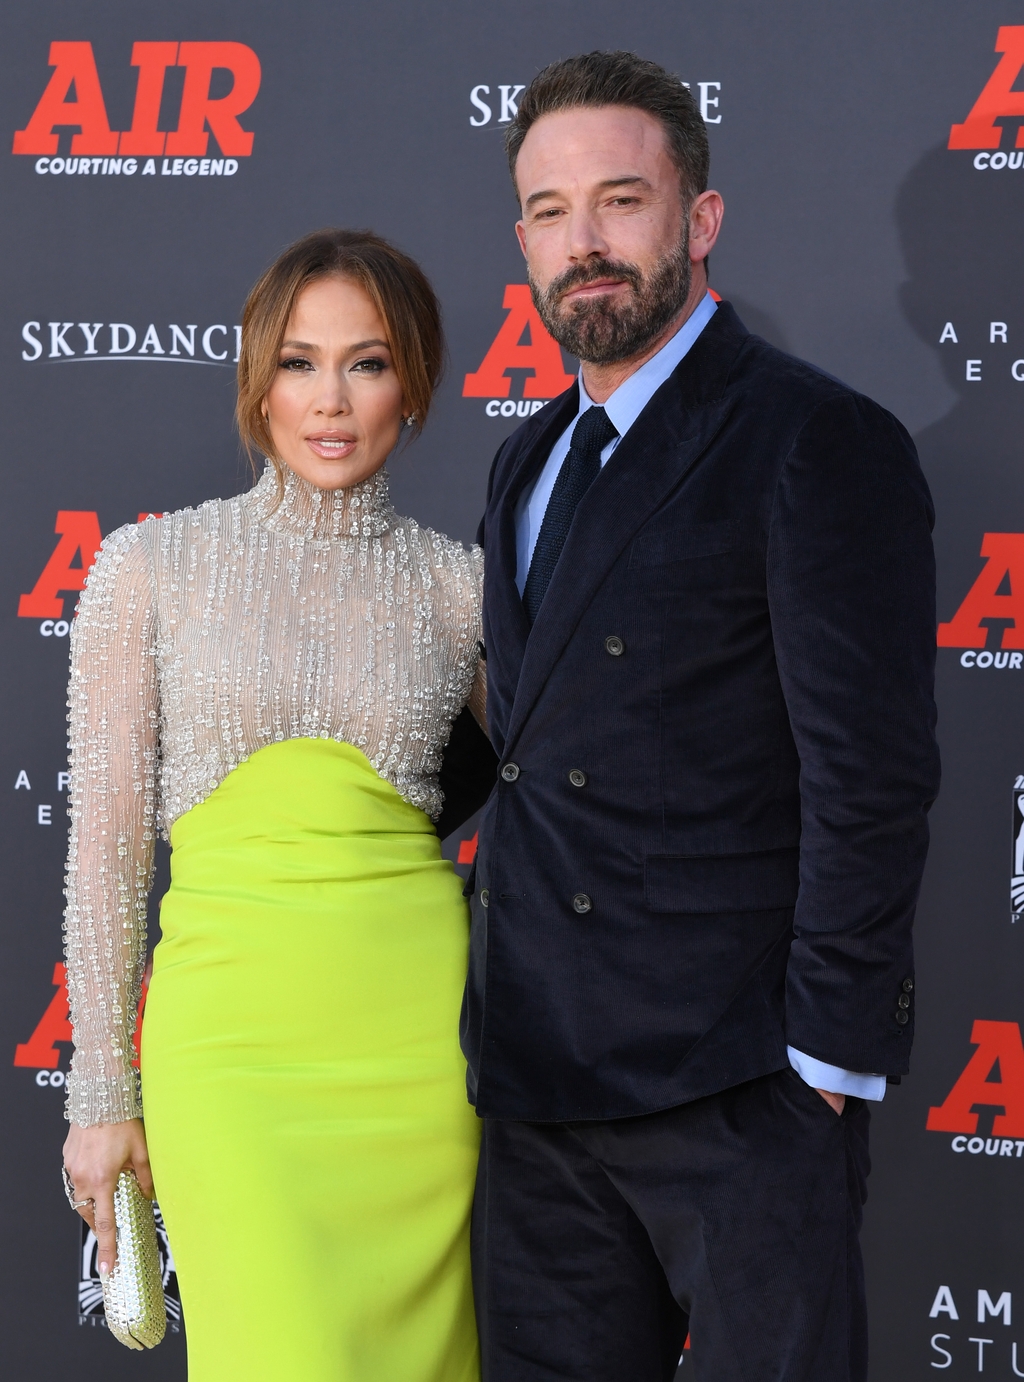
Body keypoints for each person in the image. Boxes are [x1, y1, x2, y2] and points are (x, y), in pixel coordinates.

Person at [459, 51, 939, 1381]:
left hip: (740, 1089)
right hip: (540, 1088)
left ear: (700, 218)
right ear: (522, 242)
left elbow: (874, 773)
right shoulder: (526, 459)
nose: (586, 244)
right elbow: (523, 748)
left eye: (621, 199)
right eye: (551, 213)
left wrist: (824, 1068)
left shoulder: (812, 440)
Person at [60, 228, 487, 1382]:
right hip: (231, 1055)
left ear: (417, 381)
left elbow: (564, 795)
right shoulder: (149, 568)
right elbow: (102, 850)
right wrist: (102, 1092)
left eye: (368, 361)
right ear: (255, 381)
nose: (331, 400)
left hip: (419, 1054)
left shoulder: (465, 588)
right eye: (298, 362)